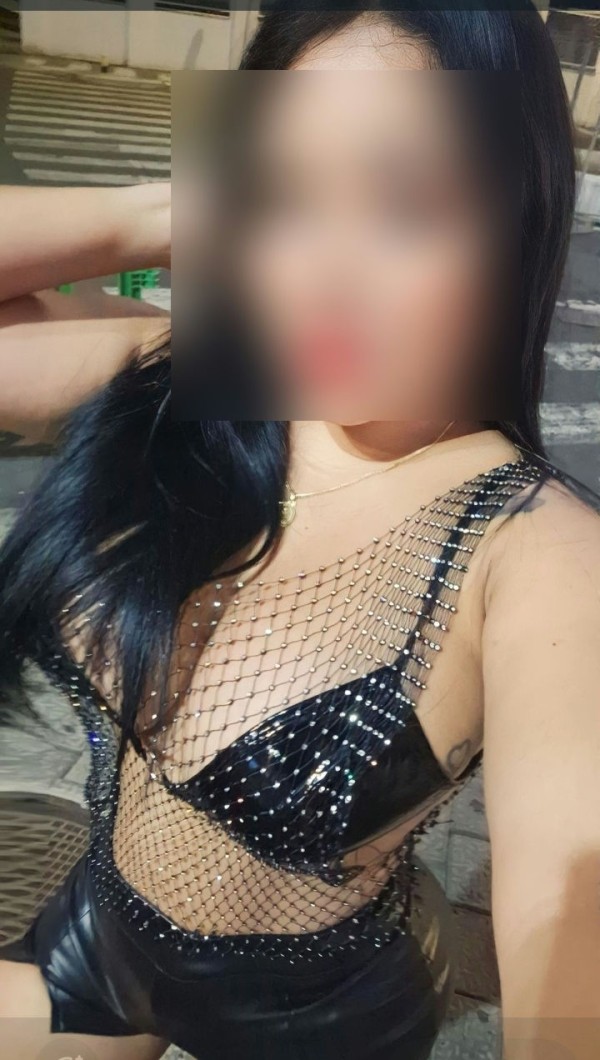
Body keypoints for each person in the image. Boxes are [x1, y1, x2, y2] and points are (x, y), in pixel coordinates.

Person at [0, 4, 599, 1060]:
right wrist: (168, 207)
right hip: (100, 937)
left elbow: (571, 960)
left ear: (518, 225)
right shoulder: (197, 388)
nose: (323, 272)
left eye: (406, 207)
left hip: (312, 1014)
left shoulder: (535, 552)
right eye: (284, 197)